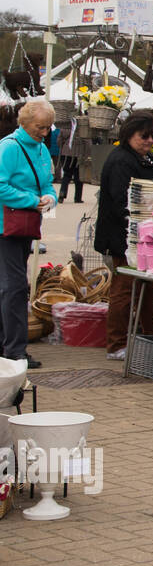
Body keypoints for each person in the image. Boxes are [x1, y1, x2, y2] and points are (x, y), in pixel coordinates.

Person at [96, 112, 153, 360]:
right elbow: (120, 201)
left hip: (143, 236)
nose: (149, 141)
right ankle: (116, 344)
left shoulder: (140, 159)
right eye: (144, 136)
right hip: (123, 238)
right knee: (124, 289)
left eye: (152, 136)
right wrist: (138, 223)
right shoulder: (121, 161)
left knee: (149, 287)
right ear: (129, 134)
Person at [0, 99, 57, 368]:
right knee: (15, 287)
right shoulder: (9, 147)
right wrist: (32, 201)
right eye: (40, 127)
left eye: (48, 127)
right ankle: (15, 351)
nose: (44, 132)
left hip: (25, 226)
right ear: (24, 123)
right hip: (5, 228)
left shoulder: (42, 149)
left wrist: (50, 198)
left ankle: (8, 346)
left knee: (10, 286)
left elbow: (47, 183)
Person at [58, 119, 84, 204]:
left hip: (66, 152)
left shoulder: (65, 127)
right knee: (78, 176)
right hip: (78, 153)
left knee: (66, 175)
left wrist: (63, 148)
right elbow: (87, 142)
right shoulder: (83, 128)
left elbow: (59, 140)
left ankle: (62, 193)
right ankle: (78, 197)